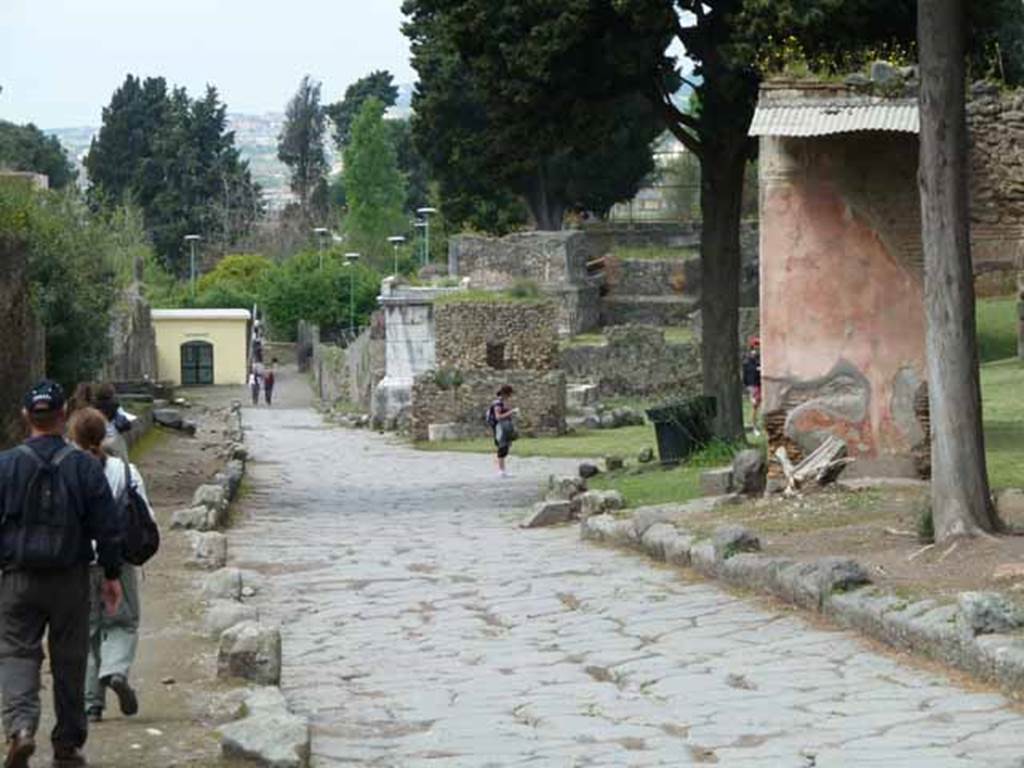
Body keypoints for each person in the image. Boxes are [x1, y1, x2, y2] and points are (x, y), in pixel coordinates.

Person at [0, 381, 123, 768]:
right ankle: (67, 744)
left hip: (17, 577)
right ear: (64, 414)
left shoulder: (5, 465)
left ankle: (21, 728)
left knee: (18, 654)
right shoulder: (85, 466)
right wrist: (112, 574)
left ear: (26, 416)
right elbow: (107, 526)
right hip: (70, 577)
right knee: (71, 659)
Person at [68, 408, 151, 725]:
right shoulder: (126, 471)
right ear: (104, 435)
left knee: (87, 633)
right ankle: (115, 671)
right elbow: (147, 518)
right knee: (123, 623)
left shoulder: (68, 471)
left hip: (78, 563)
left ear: (72, 437)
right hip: (118, 559)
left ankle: (92, 705)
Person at [488, 385, 519, 478]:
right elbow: (498, 417)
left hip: (505, 426)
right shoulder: (497, 404)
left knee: (506, 446)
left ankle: (503, 469)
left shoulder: (503, 402)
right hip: (500, 427)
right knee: (502, 446)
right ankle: (501, 470)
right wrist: (511, 412)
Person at [742, 337, 763, 437]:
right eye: (756, 345)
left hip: (759, 384)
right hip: (753, 386)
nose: (757, 348)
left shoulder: (758, 358)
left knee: (760, 405)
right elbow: (748, 375)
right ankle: (754, 427)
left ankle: (760, 425)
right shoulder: (748, 360)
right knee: (755, 407)